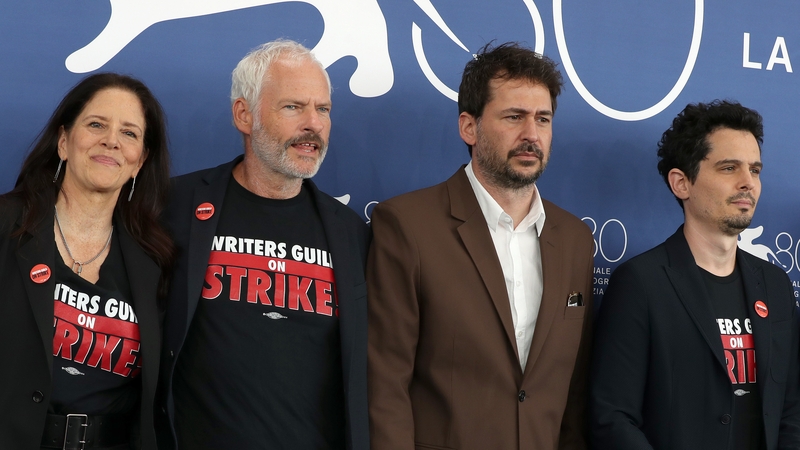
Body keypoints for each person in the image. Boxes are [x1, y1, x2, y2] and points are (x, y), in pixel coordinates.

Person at [367, 42, 594, 449]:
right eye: (514, 117)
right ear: (468, 127)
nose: (531, 135)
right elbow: (385, 386)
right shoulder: (407, 225)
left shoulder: (575, 239)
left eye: (543, 119)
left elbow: (572, 396)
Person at [156, 40, 370, 450]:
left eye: (322, 109)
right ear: (244, 115)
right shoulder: (176, 206)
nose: (314, 124)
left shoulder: (350, 231)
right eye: (293, 107)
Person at [590, 100, 800, 449]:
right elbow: (612, 417)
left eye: (755, 169)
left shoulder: (776, 286)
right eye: (729, 168)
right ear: (681, 183)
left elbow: (792, 407)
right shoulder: (641, 284)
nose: (748, 182)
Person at [0, 73, 174, 450]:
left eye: (129, 133)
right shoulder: (6, 226)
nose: (111, 140)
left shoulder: (155, 261)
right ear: (63, 142)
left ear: (139, 161)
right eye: (96, 124)